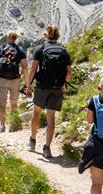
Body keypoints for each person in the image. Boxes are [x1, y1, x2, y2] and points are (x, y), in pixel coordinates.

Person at [25, 24, 71, 158]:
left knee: (37, 112)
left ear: (46, 34)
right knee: (51, 118)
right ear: (58, 36)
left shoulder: (40, 48)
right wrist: (64, 84)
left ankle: (32, 140)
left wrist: (28, 85)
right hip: (57, 87)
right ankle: (47, 148)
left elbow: (33, 69)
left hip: (42, 86)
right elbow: (69, 71)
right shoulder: (63, 50)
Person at [0, 29, 24, 132]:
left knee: (2, 104)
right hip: (15, 79)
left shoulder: (1, 48)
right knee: (14, 103)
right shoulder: (19, 49)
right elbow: (24, 66)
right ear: (16, 38)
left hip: (2, 78)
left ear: (8, 37)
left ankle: (2, 125)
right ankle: (13, 125)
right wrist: (24, 79)